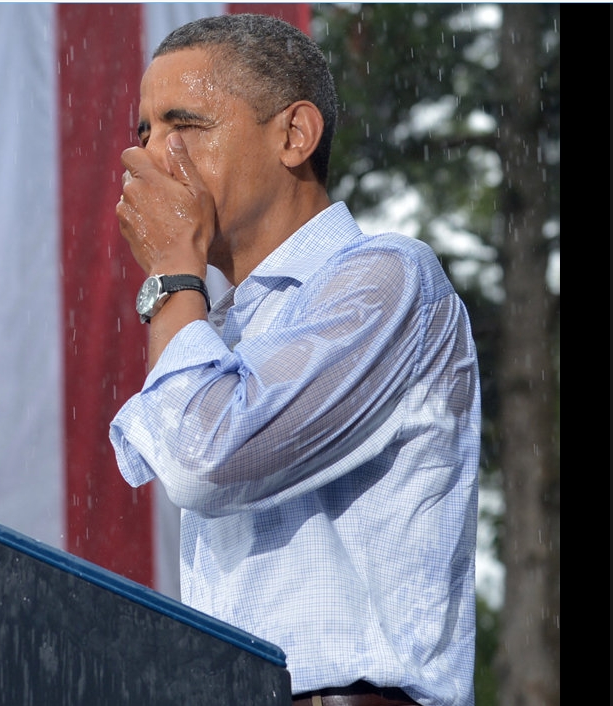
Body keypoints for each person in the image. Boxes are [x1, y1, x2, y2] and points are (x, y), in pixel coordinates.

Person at [109, 14, 479, 706]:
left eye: (183, 124)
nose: (151, 157)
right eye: (144, 132)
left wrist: (170, 274)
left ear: (294, 135)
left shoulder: (389, 279)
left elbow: (204, 457)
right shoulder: (213, 327)